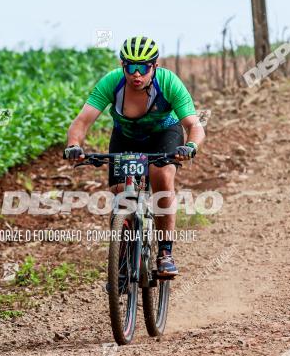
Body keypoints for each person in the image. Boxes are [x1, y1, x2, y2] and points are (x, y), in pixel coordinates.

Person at [63, 35, 205, 277]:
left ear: (154, 67)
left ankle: (165, 253)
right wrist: (74, 145)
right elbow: (82, 121)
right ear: (122, 66)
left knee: (161, 176)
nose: (136, 74)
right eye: (130, 66)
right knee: (120, 193)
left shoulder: (169, 83)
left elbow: (194, 125)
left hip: (164, 134)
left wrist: (190, 146)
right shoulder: (112, 83)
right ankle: (123, 255)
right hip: (126, 136)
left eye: (143, 67)